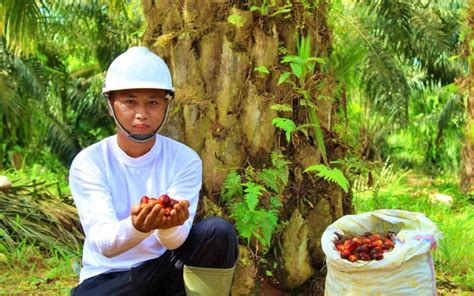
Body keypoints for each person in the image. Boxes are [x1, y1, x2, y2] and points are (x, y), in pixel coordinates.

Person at [69, 46, 238, 296]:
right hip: (109, 278)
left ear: (166, 105)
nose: (141, 114)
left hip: (167, 268)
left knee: (218, 232)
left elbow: (176, 241)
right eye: (129, 102)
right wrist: (138, 226)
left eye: (153, 102)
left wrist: (168, 226)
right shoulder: (89, 162)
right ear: (110, 105)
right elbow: (103, 243)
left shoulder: (184, 159)